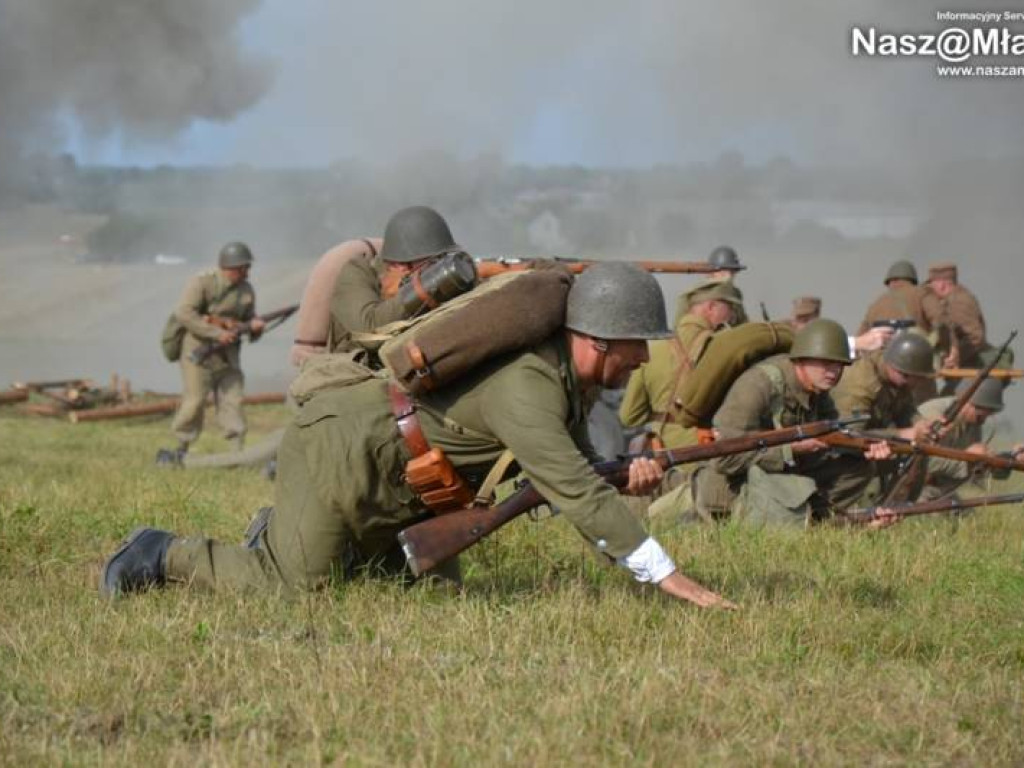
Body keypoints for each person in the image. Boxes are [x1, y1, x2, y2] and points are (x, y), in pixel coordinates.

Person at [101, 263, 736, 610]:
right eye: (635, 349)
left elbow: (579, 472)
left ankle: (291, 534)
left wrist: (624, 473)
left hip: (407, 485)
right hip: (341, 452)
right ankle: (161, 552)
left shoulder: (566, 381)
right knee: (291, 590)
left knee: (427, 591)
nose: (639, 362)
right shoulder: (530, 384)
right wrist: (668, 577)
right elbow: (571, 488)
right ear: (599, 339)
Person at [686, 319, 894, 527]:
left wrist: (863, 449)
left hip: (779, 478)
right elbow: (725, 459)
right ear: (801, 359)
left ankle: (819, 521)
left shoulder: (819, 393)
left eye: (839, 365)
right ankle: (799, 523)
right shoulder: (757, 386)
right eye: (826, 363)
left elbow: (828, 445)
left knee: (857, 467)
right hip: (733, 488)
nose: (833, 371)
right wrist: (791, 450)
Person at [160, 242, 266, 461]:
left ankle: (237, 450)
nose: (247, 272)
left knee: (232, 399)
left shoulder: (246, 291)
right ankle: (181, 446)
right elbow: (184, 313)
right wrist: (217, 334)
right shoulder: (202, 282)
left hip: (228, 354)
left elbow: (247, 325)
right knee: (195, 400)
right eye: (243, 268)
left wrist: (255, 328)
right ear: (230, 267)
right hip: (198, 351)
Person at [327, 205, 475, 355]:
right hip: (365, 369)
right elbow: (369, 333)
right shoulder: (357, 272)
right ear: (400, 266)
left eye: (441, 259)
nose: (438, 267)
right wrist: (421, 288)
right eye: (432, 262)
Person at [619, 280, 742, 450]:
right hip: (709, 451)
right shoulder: (723, 345)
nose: (731, 316)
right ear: (711, 307)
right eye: (729, 307)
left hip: (663, 453)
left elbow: (629, 416)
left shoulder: (652, 349)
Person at [920, 261, 989, 372]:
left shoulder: (958, 301)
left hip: (971, 367)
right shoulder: (953, 299)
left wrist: (953, 357)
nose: (930, 289)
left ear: (942, 285)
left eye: (932, 284)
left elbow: (975, 337)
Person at [858, 260, 931, 335]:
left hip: (883, 346)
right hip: (915, 344)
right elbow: (938, 319)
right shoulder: (922, 293)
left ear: (889, 281)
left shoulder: (875, 304)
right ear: (911, 279)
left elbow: (861, 336)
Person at [703, 245, 749, 324]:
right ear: (712, 273)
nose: (729, 276)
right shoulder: (702, 295)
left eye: (732, 272)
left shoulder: (735, 294)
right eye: (723, 273)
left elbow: (743, 321)